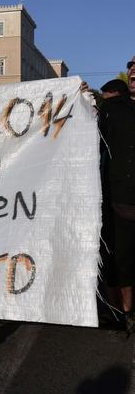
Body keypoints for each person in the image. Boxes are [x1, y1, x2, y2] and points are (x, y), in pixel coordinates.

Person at [99, 56, 135, 334]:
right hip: (118, 199)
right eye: (131, 67)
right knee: (118, 257)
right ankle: (121, 312)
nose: (133, 71)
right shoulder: (111, 108)